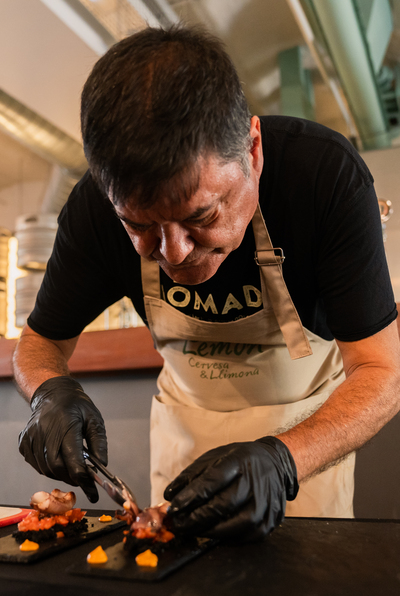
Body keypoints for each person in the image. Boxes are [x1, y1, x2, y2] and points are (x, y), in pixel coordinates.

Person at [13, 25, 400, 542]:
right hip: (183, 448)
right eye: (140, 225)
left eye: (202, 214)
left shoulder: (323, 178)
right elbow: (40, 342)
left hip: (301, 460)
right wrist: (48, 393)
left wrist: (283, 461)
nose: (174, 253)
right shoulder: (91, 210)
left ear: (253, 151)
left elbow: (382, 371)